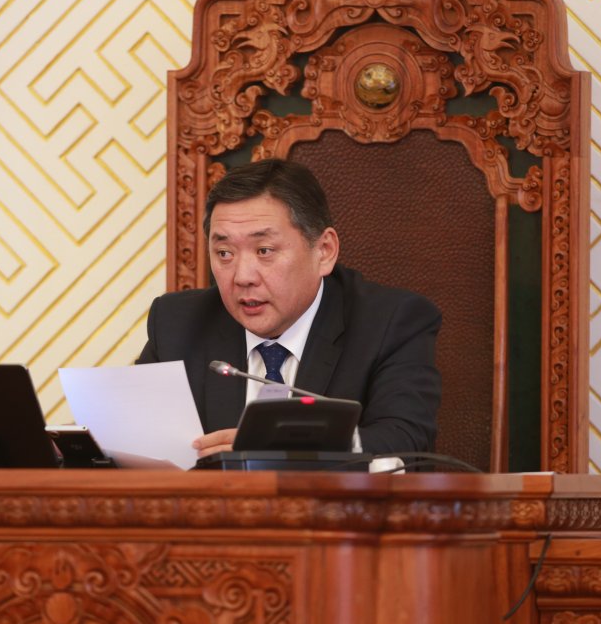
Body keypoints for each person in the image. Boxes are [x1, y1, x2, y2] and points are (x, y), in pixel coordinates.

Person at [136, 158, 441, 459]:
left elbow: (406, 439)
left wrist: (289, 447)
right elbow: (135, 438)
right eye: (225, 253)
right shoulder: (177, 324)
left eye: (264, 250)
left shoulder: (390, 322)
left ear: (324, 251)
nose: (243, 277)